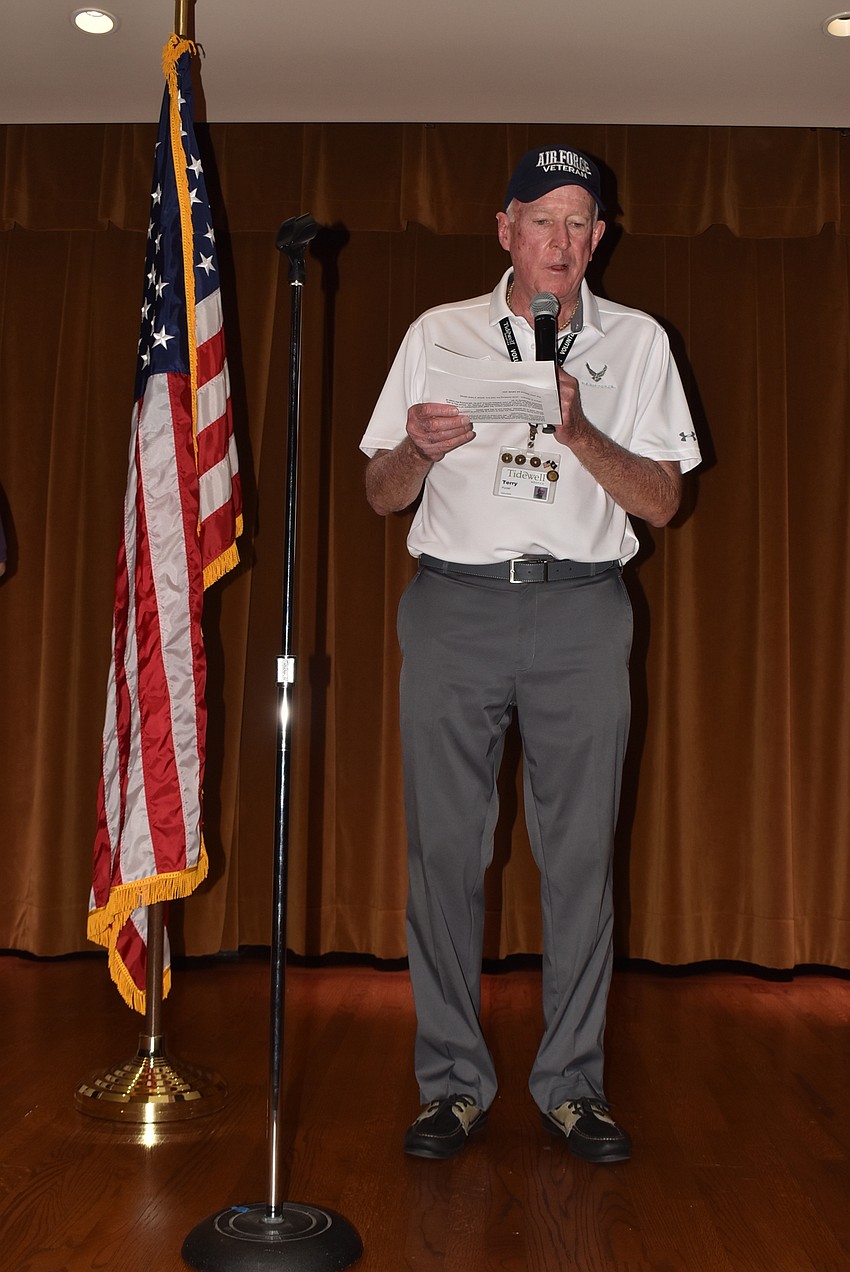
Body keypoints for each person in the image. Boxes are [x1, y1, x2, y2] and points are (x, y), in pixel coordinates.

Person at [360, 145, 701, 1164]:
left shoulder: (636, 342)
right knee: (444, 860)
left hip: (583, 612)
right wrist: (417, 449)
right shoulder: (439, 334)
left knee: (582, 860)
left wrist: (578, 430)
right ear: (503, 230)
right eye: (540, 221)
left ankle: (570, 1087)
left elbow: (664, 501)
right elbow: (379, 493)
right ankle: (452, 1086)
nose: (560, 242)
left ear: (600, 240)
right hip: (454, 607)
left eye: (578, 224)